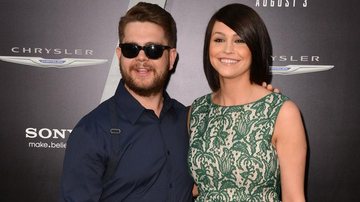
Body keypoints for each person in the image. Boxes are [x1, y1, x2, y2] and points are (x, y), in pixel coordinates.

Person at [59, 2, 194, 201]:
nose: (141, 58)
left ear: (171, 57)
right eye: (131, 49)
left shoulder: (189, 121)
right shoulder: (92, 131)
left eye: (153, 49)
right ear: (119, 55)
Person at [188, 3, 307, 202]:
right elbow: (197, 187)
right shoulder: (197, 111)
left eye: (239, 40)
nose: (227, 49)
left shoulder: (281, 112)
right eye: (219, 39)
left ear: (255, 47)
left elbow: (294, 198)